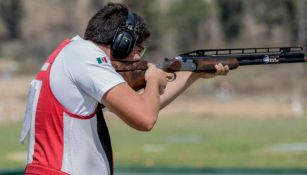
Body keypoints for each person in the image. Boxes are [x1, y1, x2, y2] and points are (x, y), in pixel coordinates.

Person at [19, 2, 229, 175]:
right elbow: (145, 118)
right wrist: (153, 79)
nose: (138, 57)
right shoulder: (86, 56)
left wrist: (194, 74)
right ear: (122, 42)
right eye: (137, 49)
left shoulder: (73, 54)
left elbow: (144, 107)